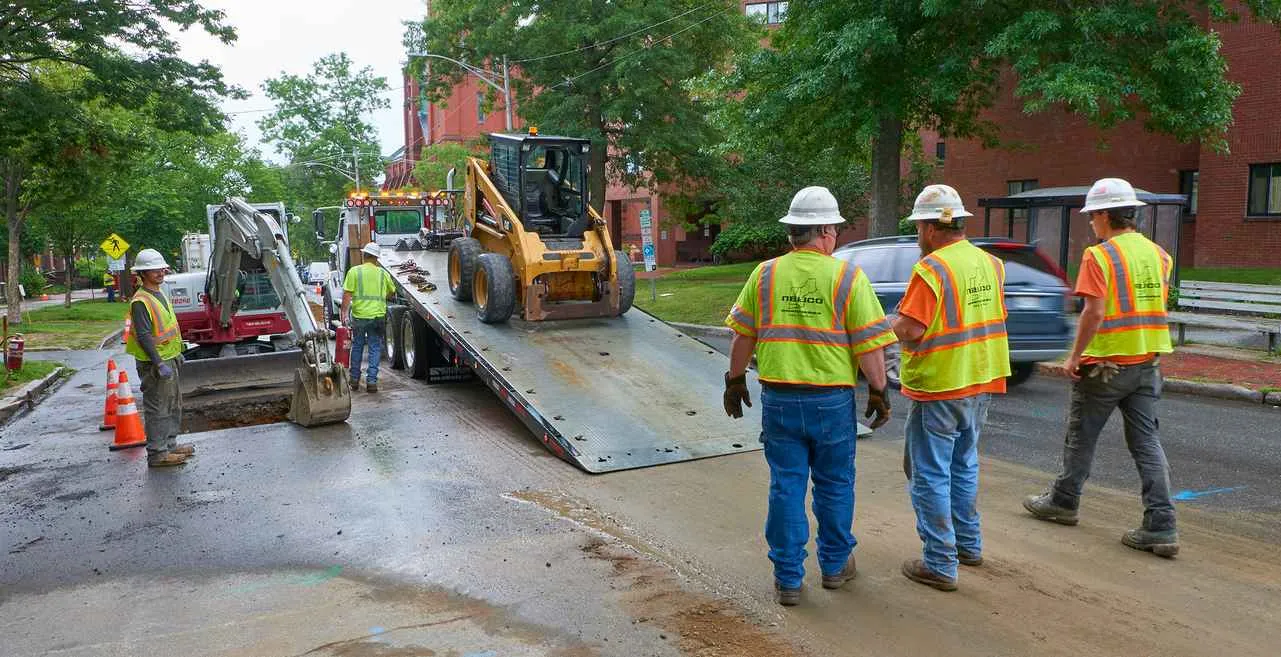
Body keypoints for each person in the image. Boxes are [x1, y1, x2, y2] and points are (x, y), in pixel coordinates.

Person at [723, 185, 895, 607]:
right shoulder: (847, 277)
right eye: (833, 229)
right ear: (820, 230)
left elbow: (743, 333)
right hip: (831, 403)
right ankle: (835, 567)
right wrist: (879, 390)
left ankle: (788, 579)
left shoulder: (764, 274)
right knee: (835, 485)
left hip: (780, 401)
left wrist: (734, 379)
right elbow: (869, 345)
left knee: (786, 486)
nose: (835, 235)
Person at [1023, 178, 1179, 557]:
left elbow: (1094, 310)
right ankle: (1161, 524)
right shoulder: (1159, 255)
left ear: (1105, 215)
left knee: (1082, 436)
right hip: (1146, 361)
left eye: (1093, 216)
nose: (1091, 223)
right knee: (1146, 443)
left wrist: (1074, 356)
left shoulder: (1100, 256)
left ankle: (1063, 501)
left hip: (1106, 364)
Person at [891, 184, 1010, 591]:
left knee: (928, 473)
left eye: (917, 228)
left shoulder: (932, 268)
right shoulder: (991, 264)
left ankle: (940, 562)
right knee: (964, 464)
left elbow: (911, 328)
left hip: (941, 383)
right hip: (981, 379)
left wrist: (887, 323)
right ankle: (968, 545)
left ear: (928, 227)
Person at [124, 248, 192, 468]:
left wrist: (177, 350)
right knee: (158, 407)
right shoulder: (141, 301)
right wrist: (159, 362)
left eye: (161, 268)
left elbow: (168, 327)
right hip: (155, 364)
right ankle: (157, 453)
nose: (160, 272)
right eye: (153, 270)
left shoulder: (160, 293)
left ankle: (169, 445)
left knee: (173, 405)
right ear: (142, 274)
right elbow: (143, 335)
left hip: (168, 358)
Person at [341, 242, 395, 393]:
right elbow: (392, 292)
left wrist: (344, 313)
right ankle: (371, 382)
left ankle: (354, 380)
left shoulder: (354, 272)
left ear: (364, 256)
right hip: (377, 316)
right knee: (374, 347)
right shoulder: (383, 274)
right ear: (376, 258)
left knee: (357, 346)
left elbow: (347, 294)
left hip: (359, 316)